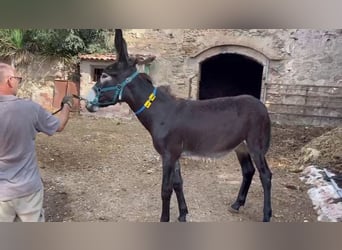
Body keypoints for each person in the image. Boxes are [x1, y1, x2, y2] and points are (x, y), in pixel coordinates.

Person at [0, 62, 74, 222]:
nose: (18, 82)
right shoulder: (29, 109)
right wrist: (67, 105)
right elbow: (59, 125)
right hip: (28, 190)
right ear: (9, 81)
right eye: (17, 78)